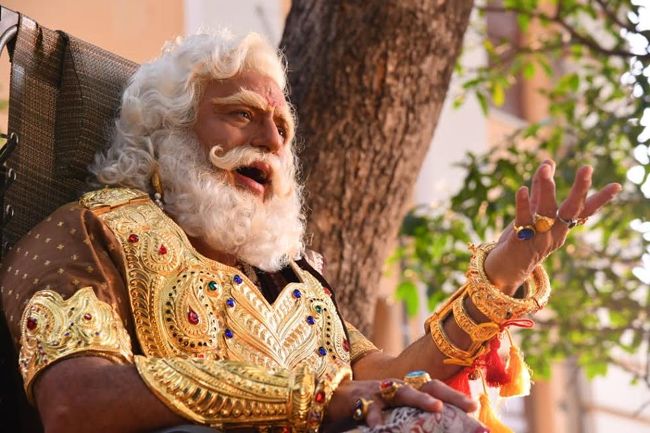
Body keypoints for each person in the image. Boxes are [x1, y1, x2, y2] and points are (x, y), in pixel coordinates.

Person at [0, 30, 621, 433]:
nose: (270, 141)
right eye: (241, 114)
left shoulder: (292, 280)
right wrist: (315, 398)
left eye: (282, 129)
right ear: (168, 129)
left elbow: (388, 376)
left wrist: (504, 272)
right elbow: (74, 399)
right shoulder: (93, 231)